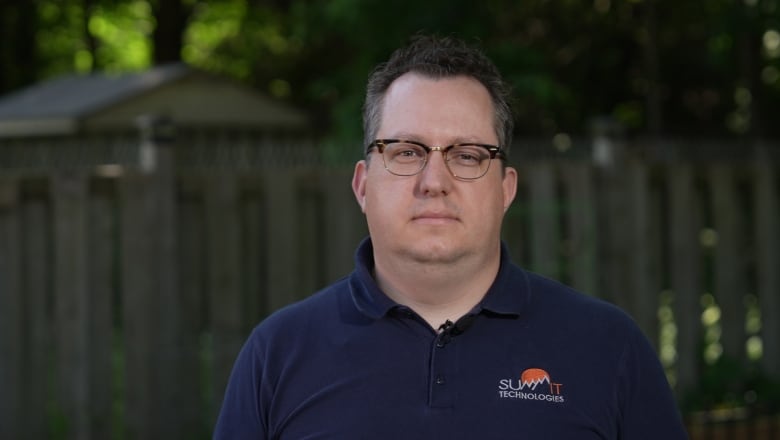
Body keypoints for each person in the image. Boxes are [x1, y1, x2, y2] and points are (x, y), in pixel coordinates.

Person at [213, 35, 688, 439]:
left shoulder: (608, 348)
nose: (433, 180)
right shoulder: (276, 355)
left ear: (506, 190)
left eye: (466, 155)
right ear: (363, 185)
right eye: (405, 151)